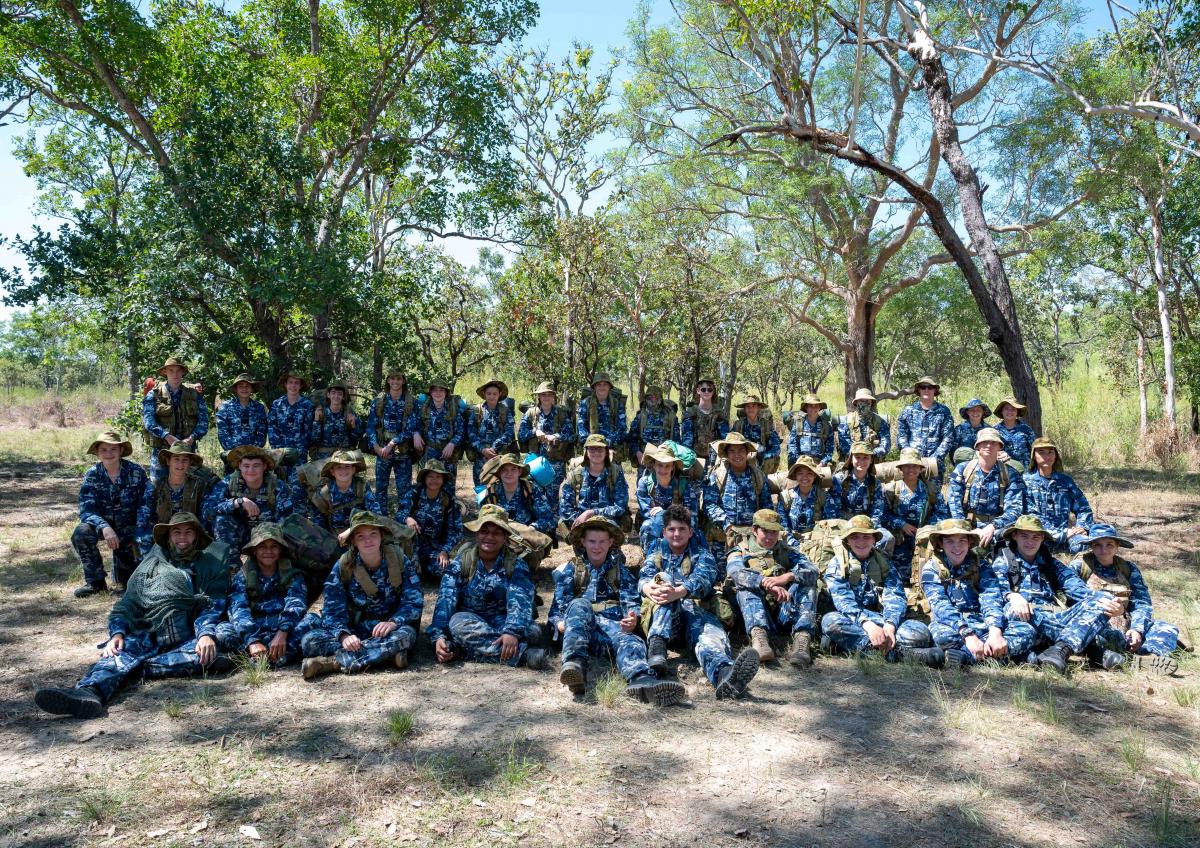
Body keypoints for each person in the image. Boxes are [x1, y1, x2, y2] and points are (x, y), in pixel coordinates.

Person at [35, 513, 231, 719]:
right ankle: (88, 693)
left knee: (220, 643)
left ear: (197, 536)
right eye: (177, 532)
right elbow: (128, 603)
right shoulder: (151, 565)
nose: (183, 537)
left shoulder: (210, 565)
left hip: (189, 633)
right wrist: (117, 633)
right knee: (118, 652)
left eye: (188, 532)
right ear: (169, 536)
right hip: (151, 629)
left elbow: (213, 604)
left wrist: (205, 634)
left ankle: (135, 669)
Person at [552, 516, 686, 704]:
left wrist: (633, 618)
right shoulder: (570, 570)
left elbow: (631, 602)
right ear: (583, 542)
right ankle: (575, 667)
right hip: (579, 632)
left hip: (612, 628)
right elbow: (557, 610)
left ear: (611, 542)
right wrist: (560, 625)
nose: (596, 547)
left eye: (601, 542)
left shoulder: (620, 571)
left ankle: (642, 681)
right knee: (579, 604)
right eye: (591, 541)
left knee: (631, 641)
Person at [639, 505, 762, 699]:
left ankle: (725, 675)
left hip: (696, 613)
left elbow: (705, 577)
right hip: (667, 621)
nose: (676, 534)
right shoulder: (656, 552)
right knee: (663, 581)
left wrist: (680, 591)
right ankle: (657, 649)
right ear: (664, 532)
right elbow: (644, 577)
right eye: (671, 529)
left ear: (691, 532)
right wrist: (647, 588)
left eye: (681, 529)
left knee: (709, 637)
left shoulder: (702, 554)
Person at [299, 511, 423, 679]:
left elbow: (414, 601)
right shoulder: (344, 565)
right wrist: (343, 636)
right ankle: (385, 656)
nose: (368, 540)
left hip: (389, 629)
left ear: (381, 536)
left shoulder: (399, 559)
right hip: (355, 629)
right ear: (353, 542)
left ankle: (332, 663)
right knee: (309, 641)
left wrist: (394, 622)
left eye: (373, 534)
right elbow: (332, 609)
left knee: (406, 636)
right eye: (361, 536)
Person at [991, 515, 1118, 674]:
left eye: (1036, 536)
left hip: (1054, 617)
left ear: (1043, 538)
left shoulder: (1051, 564)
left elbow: (1078, 589)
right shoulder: (1003, 562)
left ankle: (1059, 649)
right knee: (1015, 614)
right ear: (1015, 536)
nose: (1030, 541)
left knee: (1103, 600)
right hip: (1026, 618)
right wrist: (1011, 595)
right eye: (1024, 536)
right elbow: (993, 591)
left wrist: (1110, 604)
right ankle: (1089, 648)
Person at [428, 505, 546, 668]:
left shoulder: (516, 565)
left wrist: (511, 631)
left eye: (497, 532)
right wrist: (439, 637)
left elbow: (520, 602)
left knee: (533, 632)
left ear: (505, 538)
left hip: (504, 619)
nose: (490, 537)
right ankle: (523, 655)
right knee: (457, 623)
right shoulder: (460, 564)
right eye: (485, 531)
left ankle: (463, 649)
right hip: (471, 621)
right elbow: (444, 603)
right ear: (477, 534)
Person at [821, 515, 941, 666]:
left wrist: (890, 625)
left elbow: (895, 595)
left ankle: (850, 646)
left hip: (881, 617)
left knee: (920, 633)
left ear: (874, 540)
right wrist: (868, 625)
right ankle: (897, 654)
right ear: (847, 540)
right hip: (853, 619)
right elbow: (843, 602)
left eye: (866, 537)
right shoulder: (837, 564)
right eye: (855, 537)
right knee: (830, 622)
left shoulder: (884, 563)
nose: (861, 542)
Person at [919, 518, 1036, 667]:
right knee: (943, 637)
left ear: (969, 542)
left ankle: (966, 658)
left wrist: (995, 633)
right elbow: (941, 607)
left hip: (982, 621)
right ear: (940, 544)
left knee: (1027, 631)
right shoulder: (931, 569)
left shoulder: (981, 564)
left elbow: (991, 597)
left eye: (962, 540)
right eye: (950, 541)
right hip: (953, 626)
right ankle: (1006, 656)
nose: (957, 547)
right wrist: (968, 635)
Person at [1067, 524, 1180, 675]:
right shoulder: (1080, 566)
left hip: (1126, 625)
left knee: (1166, 629)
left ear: (1117, 546)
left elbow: (1142, 603)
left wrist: (1137, 629)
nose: (1103, 549)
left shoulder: (1128, 569)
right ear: (1091, 546)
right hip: (1094, 625)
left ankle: (1149, 657)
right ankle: (1126, 658)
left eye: (1109, 544)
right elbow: (1070, 593)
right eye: (1098, 545)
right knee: (1100, 639)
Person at [725, 509, 820, 668]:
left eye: (774, 532)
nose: (770, 537)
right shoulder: (739, 551)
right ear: (755, 530)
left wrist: (787, 577)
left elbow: (813, 570)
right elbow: (735, 573)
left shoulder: (785, 550)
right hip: (754, 611)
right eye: (765, 531)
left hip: (783, 608)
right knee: (745, 587)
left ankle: (802, 641)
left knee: (808, 584)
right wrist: (764, 583)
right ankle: (759, 639)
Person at [72, 431, 153, 597]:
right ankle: (95, 583)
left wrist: (139, 533)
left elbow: (146, 504)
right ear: (98, 452)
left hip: (130, 527)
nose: (109, 454)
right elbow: (87, 509)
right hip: (105, 526)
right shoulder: (92, 474)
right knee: (81, 533)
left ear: (121, 451)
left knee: (127, 583)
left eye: (113, 449)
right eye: (104, 450)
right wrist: (105, 527)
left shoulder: (136, 472)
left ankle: (127, 578)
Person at [217, 523, 310, 667]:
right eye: (262, 547)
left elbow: (296, 603)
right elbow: (238, 610)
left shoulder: (291, 573)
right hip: (255, 627)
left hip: (284, 627)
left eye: (274, 546)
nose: (268, 551)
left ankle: (260, 658)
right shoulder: (243, 576)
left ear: (280, 549)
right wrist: (252, 640)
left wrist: (283, 632)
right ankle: (273, 655)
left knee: (313, 620)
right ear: (254, 550)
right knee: (222, 630)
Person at [204, 445, 296, 568]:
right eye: (246, 466)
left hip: (269, 537)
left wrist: (269, 541)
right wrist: (237, 502)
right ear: (239, 466)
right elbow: (207, 510)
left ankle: (274, 568)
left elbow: (286, 521)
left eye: (256, 465)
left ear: (264, 467)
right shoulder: (229, 483)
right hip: (240, 534)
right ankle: (232, 569)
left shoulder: (277, 486)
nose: (250, 470)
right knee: (221, 520)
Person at [701, 431, 774, 579]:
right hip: (723, 536)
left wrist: (763, 530)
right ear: (726, 454)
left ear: (747, 452)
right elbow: (709, 504)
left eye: (741, 450)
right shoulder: (717, 475)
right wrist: (725, 523)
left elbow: (767, 506)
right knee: (721, 578)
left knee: (757, 576)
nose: (737, 455)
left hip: (752, 537)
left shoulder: (758, 476)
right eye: (732, 451)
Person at [947, 427, 1025, 550]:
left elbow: (1014, 509)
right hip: (965, 526)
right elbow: (954, 502)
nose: (989, 445)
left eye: (994, 442)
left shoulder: (1010, 474)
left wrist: (992, 527)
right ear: (977, 446)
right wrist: (967, 530)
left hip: (997, 529)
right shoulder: (963, 469)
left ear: (1000, 447)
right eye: (984, 442)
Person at [882, 448, 949, 583]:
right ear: (901, 468)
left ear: (920, 468)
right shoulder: (890, 490)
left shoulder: (931, 489)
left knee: (929, 574)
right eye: (907, 466)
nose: (910, 469)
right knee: (900, 578)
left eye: (914, 466)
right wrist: (901, 524)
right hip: (899, 539)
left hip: (924, 538)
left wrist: (927, 529)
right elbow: (882, 514)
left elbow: (942, 512)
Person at [478, 453, 555, 569]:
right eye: (504, 470)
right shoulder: (491, 493)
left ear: (519, 472)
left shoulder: (530, 490)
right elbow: (482, 522)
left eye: (513, 469)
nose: (509, 473)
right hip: (499, 538)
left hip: (527, 540)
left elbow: (548, 519)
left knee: (520, 564)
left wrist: (532, 528)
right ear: (499, 472)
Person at [138, 442, 217, 553]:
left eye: (185, 460)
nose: (180, 464)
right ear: (168, 461)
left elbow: (205, 515)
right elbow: (145, 515)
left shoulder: (199, 485)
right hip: (163, 537)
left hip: (189, 537)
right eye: (176, 459)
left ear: (190, 463)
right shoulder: (156, 486)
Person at [1022, 436, 1094, 554]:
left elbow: (1083, 508)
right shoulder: (1025, 482)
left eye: (1051, 452)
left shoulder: (1065, 481)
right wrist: (1063, 533)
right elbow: (1031, 516)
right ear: (1034, 456)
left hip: (1068, 536)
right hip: (1037, 537)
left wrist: (1082, 528)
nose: (1047, 457)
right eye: (1042, 452)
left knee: (1082, 544)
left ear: (1056, 456)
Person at [142, 357, 210, 481]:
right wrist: (167, 436)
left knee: (189, 486)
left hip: (186, 451)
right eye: (171, 370)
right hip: (162, 450)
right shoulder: (154, 394)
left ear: (183, 372)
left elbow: (204, 421)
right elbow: (148, 421)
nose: (175, 374)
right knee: (157, 486)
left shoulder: (194, 394)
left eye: (178, 370)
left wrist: (191, 438)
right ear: (165, 373)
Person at [396, 459, 463, 578]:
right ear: (425, 478)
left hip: (433, 548)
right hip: (410, 547)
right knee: (406, 573)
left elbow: (455, 532)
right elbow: (398, 515)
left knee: (444, 570)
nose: (434, 480)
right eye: (430, 476)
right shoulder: (414, 494)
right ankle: (416, 567)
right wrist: (407, 518)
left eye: (438, 477)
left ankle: (425, 568)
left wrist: (445, 551)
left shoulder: (448, 500)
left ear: (443, 480)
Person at [559, 434, 631, 541]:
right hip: (582, 527)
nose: (596, 452)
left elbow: (620, 507)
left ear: (606, 451)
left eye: (600, 449)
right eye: (592, 449)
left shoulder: (615, 473)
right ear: (586, 451)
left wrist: (592, 513)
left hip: (609, 527)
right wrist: (581, 521)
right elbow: (565, 509)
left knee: (615, 558)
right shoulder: (575, 475)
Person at [365, 367, 416, 515]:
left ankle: (403, 521)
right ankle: (382, 522)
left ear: (403, 381)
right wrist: (376, 447)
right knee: (380, 489)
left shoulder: (410, 402)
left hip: (402, 452)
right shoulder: (379, 401)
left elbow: (411, 428)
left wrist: (392, 443)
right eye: (392, 378)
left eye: (399, 378)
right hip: (382, 452)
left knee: (404, 491)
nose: (395, 381)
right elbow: (370, 426)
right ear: (388, 380)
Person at [517, 380, 574, 510]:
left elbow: (571, 435)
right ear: (539, 397)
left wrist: (556, 436)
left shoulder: (561, 414)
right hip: (535, 462)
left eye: (549, 394)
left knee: (552, 499)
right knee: (534, 496)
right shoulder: (531, 413)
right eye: (543, 394)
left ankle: (551, 528)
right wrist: (534, 432)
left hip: (555, 463)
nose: (546, 397)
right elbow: (521, 435)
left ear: (553, 396)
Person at [635, 443, 701, 552]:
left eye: (667, 466)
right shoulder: (645, 483)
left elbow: (692, 514)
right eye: (660, 465)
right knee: (647, 526)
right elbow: (646, 512)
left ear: (673, 467)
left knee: (694, 532)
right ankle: (650, 557)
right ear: (654, 465)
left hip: (680, 522)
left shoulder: (682, 484)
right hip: (655, 523)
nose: (663, 470)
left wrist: (665, 513)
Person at [834, 443, 894, 555]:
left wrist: (868, 530)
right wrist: (849, 529)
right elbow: (833, 510)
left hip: (867, 526)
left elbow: (877, 512)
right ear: (851, 458)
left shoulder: (875, 483)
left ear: (871, 460)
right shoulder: (839, 480)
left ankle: (880, 567)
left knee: (887, 538)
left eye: (866, 457)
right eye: (857, 457)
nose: (861, 461)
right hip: (844, 525)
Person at [409, 376, 467, 489]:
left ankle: (448, 506)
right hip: (429, 453)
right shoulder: (424, 408)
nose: (438, 393)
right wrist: (416, 434)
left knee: (448, 487)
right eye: (435, 390)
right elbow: (413, 424)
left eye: (441, 390)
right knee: (427, 486)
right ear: (430, 392)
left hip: (449, 454)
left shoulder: (453, 409)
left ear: (446, 392)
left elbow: (461, 431)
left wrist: (452, 444)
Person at [307, 449, 381, 536]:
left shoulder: (361, 486)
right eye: (339, 467)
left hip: (361, 533)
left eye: (347, 466)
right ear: (332, 471)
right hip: (336, 537)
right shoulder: (324, 494)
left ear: (353, 470)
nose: (343, 470)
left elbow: (375, 514)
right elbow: (318, 525)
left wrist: (352, 530)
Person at [896, 376, 954, 476]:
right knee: (911, 491)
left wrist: (935, 457)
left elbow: (948, 437)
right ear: (918, 390)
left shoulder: (944, 411)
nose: (926, 390)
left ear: (935, 390)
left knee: (933, 492)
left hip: (934, 464)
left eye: (930, 387)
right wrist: (909, 455)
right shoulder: (909, 410)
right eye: (923, 387)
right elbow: (901, 435)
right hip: (912, 465)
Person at [776, 455, 840, 542]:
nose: (804, 477)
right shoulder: (786, 497)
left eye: (809, 473)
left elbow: (830, 523)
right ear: (795, 475)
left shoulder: (823, 496)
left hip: (817, 541)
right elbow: (782, 526)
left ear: (815, 476)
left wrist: (814, 539)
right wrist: (793, 543)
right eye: (800, 473)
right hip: (791, 542)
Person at [468, 379, 518, 486]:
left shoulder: (505, 411)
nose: (492, 396)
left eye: (495, 394)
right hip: (481, 458)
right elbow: (471, 433)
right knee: (481, 489)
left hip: (500, 458)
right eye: (489, 393)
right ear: (484, 394)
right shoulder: (477, 411)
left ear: (499, 394)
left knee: (500, 489)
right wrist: (482, 449)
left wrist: (495, 447)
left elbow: (509, 432)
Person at [267, 371, 315, 481]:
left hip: (299, 454)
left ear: (301, 385)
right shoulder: (277, 404)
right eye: (290, 382)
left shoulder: (307, 405)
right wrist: (277, 449)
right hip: (279, 454)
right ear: (285, 384)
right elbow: (272, 428)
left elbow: (308, 430)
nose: (293, 386)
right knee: (279, 487)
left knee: (298, 488)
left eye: (296, 383)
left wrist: (301, 448)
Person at [215, 373, 268, 469]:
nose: (244, 389)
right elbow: (222, 432)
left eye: (247, 386)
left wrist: (252, 450)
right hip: (233, 454)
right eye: (241, 386)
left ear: (252, 389)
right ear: (236, 389)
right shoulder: (225, 407)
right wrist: (235, 451)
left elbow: (262, 432)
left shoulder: (258, 407)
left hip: (254, 455)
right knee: (232, 482)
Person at [628, 385, 680, 478]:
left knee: (664, 490)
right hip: (645, 462)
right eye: (650, 397)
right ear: (646, 398)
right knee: (643, 489)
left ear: (660, 398)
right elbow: (632, 439)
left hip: (665, 463)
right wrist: (637, 453)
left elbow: (676, 440)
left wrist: (672, 460)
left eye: (656, 397)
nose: (653, 399)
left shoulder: (670, 417)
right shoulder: (640, 417)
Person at [576, 372, 628, 461]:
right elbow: (581, 428)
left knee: (614, 474)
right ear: (594, 387)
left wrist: (607, 442)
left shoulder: (617, 404)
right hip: (591, 450)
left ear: (609, 387)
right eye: (599, 384)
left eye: (605, 384)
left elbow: (622, 429)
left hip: (611, 449)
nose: (602, 387)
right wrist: (593, 444)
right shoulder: (585, 403)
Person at [309, 380, 363, 461]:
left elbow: (355, 440)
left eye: (339, 393)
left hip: (344, 457)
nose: (336, 396)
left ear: (343, 397)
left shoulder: (349, 413)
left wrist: (353, 425)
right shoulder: (320, 412)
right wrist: (316, 421)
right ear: (328, 395)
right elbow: (314, 440)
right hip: (323, 457)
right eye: (333, 393)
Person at [680, 377, 728, 462]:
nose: (706, 392)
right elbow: (687, 442)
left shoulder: (719, 414)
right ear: (698, 391)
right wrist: (688, 462)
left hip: (715, 458)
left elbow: (724, 439)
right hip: (694, 458)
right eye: (703, 389)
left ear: (713, 392)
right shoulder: (690, 413)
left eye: (710, 390)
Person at [728, 394, 780, 473]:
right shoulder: (738, 425)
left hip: (763, 463)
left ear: (759, 408)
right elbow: (729, 444)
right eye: (748, 406)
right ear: (744, 409)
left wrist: (763, 455)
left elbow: (776, 448)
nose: (751, 409)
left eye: (753, 406)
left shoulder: (767, 425)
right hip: (742, 460)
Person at [837, 387, 891, 461]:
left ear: (871, 403)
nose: (864, 403)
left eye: (867, 401)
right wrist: (858, 455)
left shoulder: (880, 421)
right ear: (856, 402)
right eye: (862, 400)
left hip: (874, 461)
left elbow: (886, 445)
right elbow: (844, 444)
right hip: (852, 461)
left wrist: (871, 454)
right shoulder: (847, 421)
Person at [786, 393, 835, 467]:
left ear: (820, 408)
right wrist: (798, 461)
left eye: (816, 406)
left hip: (819, 462)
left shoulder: (826, 425)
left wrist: (822, 463)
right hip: (800, 461)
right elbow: (792, 444)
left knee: (828, 473)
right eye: (810, 406)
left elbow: (830, 448)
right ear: (806, 407)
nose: (813, 408)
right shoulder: (798, 423)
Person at [993, 397, 1037, 470]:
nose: (1010, 412)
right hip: (1003, 471)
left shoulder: (1026, 430)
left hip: (1024, 471)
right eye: (1006, 408)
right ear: (1002, 411)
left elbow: (1034, 451)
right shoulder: (994, 430)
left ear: (1017, 412)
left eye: (1013, 409)